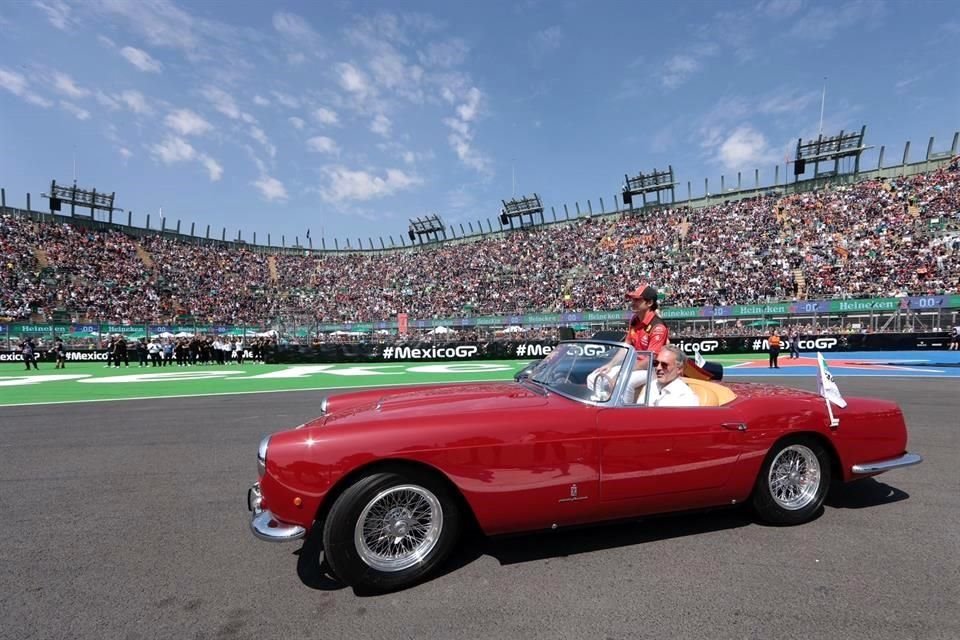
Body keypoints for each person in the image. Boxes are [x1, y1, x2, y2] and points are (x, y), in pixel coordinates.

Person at [587, 283, 670, 403]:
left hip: (652, 369)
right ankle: (601, 408)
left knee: (624, 383)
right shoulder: (635, 320)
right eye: (632, 299)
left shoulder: (658, 327)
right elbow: (626, 346)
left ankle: (624, 416)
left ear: (650, 303)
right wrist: (610, 365)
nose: (632, 302)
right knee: (593, 377)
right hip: (635, 366)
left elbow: (651, 360)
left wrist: (624, 370)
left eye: (637, 300)